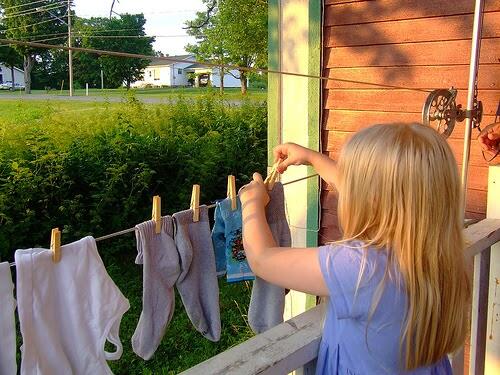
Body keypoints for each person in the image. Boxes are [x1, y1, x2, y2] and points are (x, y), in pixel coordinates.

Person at [239, 123, 471, 374]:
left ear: (369, 198)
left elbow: (262, 259)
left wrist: (251, 204)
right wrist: (312, 158)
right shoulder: (438, 254)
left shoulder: (361, 266)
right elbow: (383, 193)